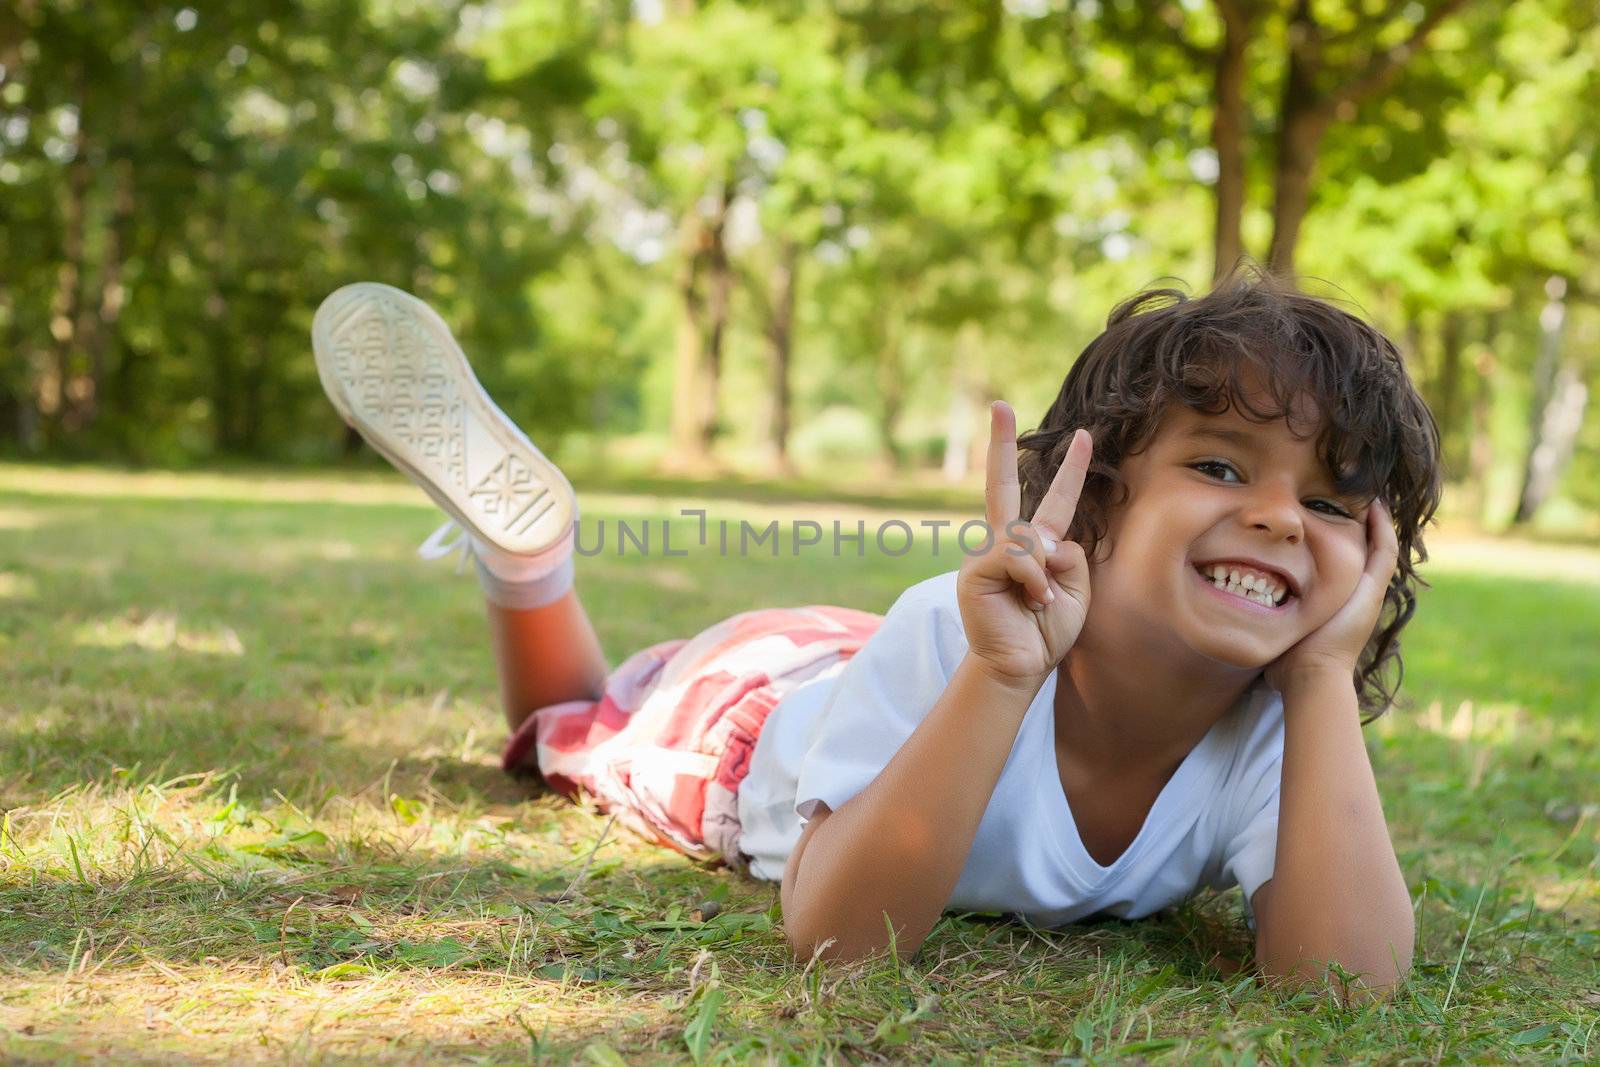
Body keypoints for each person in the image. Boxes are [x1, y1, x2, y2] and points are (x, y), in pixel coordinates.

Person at [310, 270, 1441, 995]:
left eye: (1335, 504)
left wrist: (1324, 680)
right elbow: (837, 942)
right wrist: (1000, 674)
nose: (1280, 516)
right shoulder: (957, 642)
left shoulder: (1279, 731)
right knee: (567, 725)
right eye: (1217, 464)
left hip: (875, 667)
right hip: (758, 712)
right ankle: (528, 558)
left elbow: (1345, 983)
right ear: (1093, 502)